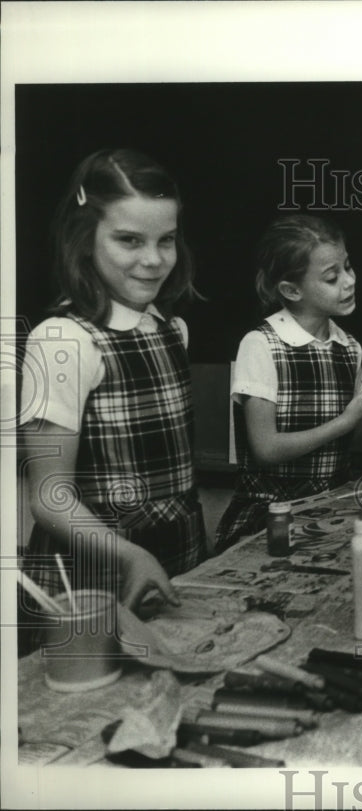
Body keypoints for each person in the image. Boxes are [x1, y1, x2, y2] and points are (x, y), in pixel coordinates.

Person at [19, 148, 204, 644]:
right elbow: (49, 498)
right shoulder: (62, 341)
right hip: (91, 584)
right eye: (128, 240)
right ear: (84, 240)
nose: (153, 259)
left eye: (166, 241)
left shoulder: (169, 328)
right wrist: (130, 555)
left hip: (174, 563)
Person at [215, 215, 362, 551]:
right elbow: (266, 449)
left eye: (348, 267)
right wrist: (345, 420)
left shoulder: (349, 348)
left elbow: (340, 441)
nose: (349, 281)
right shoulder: (261, 345)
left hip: (332, 509)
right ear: (291, 290)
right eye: (332, 277)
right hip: (273, 517)